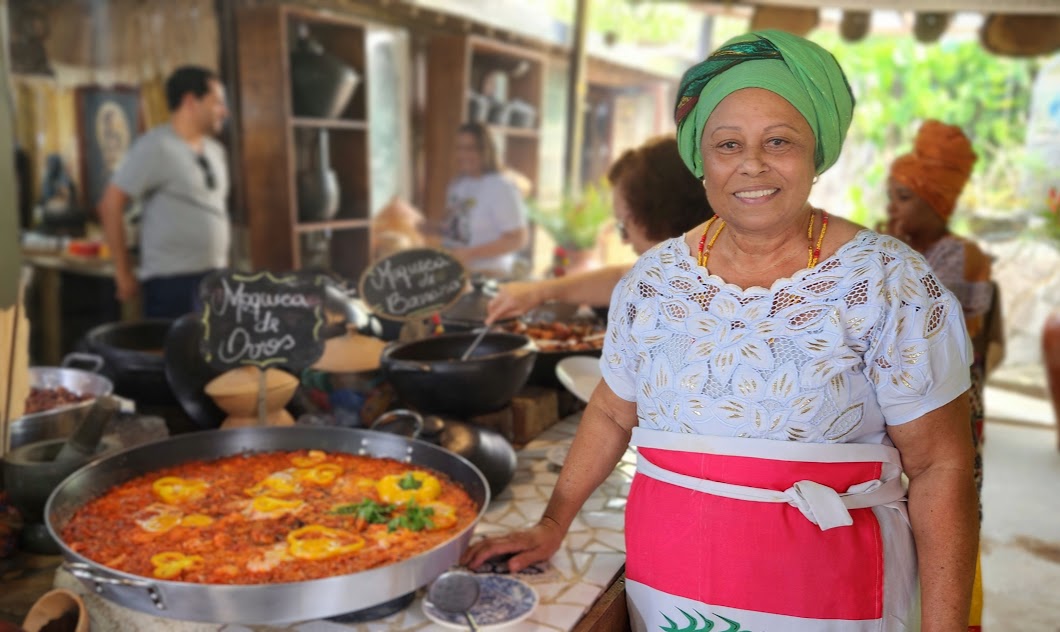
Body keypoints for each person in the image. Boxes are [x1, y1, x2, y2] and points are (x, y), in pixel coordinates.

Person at [464, 30, 979, 631]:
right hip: (672, 582)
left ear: (816, 153)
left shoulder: (887, 281)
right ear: (701, 161)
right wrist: (553, 522)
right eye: (728, 144)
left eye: (779, 141)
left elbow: (941, 467)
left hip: (829, 593)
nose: (752, 164)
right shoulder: (655, 279)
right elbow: (609, 412)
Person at [885, 120, 1000, 631]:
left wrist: (894, 260)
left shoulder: (961, 255)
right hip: (899, 400)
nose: (894, 209)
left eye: (905, 198)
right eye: (892, 197)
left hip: (951, 403)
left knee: (946, 507)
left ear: (937, 202)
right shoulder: (891, 248)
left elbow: (947, 333)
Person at [485, 136, 713, 323]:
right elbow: (621, 277)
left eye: (623, 226)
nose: (624, 241)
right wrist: (538, 291)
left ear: (657, 219)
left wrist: (538, 291)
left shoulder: (702, 299)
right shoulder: (683, 267)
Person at [98, 65, 230, 318]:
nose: (224, 111)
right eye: (217, 103)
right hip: (172, 282)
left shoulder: (216, 151)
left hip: (214, 277)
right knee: (174, 344)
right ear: (190, 101)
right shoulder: (155, 146)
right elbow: (110, 204)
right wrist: (123, 272)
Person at [440, 122, 529, 277]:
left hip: (492, 274)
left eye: (470, 149)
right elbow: (457, 228)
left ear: (486, 151)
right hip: (459, 272)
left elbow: (518, 239)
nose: (462, 155)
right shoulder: (457, 184)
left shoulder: (501, 187)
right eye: (459, 148)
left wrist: (471, 253)